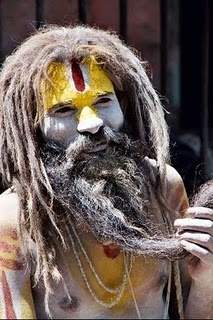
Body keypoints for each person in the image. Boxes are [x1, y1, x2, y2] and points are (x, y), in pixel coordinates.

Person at [0, 24, 212, 319]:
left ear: (123, 104)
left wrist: (208, 278)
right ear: (33, 127)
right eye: (64, 110)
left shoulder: (164, 189)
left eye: (102, 101)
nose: (91, 124)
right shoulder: (17, 218)